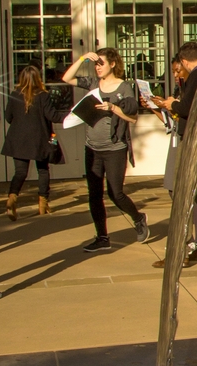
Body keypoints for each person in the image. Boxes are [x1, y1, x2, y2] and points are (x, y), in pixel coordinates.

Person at [62, 48, 149, 253]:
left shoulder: (124, 87)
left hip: (115, 148)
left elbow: (132, 117)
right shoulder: (94, 85)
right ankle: (102, 237)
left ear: (112, 64)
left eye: (101, 63)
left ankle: (138, 218)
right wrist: (83, 58)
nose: (97, 67)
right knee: (94, 194)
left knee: (115, 193)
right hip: (92, 148)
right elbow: (67, 78)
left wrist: (113, 108)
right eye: (96, 63)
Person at [152, 41, 197, 266]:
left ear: (184, 61)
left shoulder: (196, 76)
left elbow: (187, 108)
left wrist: (172, 104)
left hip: (193, 140)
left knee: (184, 193)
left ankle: (180, 251)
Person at [2, 64, 57, 220]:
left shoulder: (14, 94)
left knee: (20, 172)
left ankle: (12, 199)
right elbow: (52, 116)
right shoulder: (43, 95)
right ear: (38, 78)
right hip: (40, 139)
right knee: (43, 170)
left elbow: (8, 118)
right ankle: (42, 204)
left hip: (18, 139)